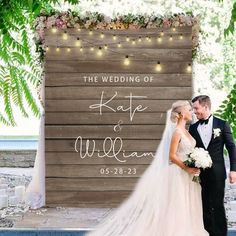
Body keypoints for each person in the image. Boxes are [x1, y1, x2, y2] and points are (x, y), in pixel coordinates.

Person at [86, 100, 209, 236]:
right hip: (179, 173)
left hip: (189, 174)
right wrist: (187, 168)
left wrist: (197, 161)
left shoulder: (186, 131)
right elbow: (172, 156)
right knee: (178, 205)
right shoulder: (177, 132)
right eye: (189, 109)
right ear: (180, 114)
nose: (192, 112)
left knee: (189, 205)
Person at [189, 95, 236, 236]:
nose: (194, 112)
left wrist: (234, 169)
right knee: (204, 206)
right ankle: (208, 233)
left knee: (218, 205)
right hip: (199, 174)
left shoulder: (222, 124)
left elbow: (231, 147)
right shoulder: (193, 128)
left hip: (217, 173)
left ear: (206, 107)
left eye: (196, 108)